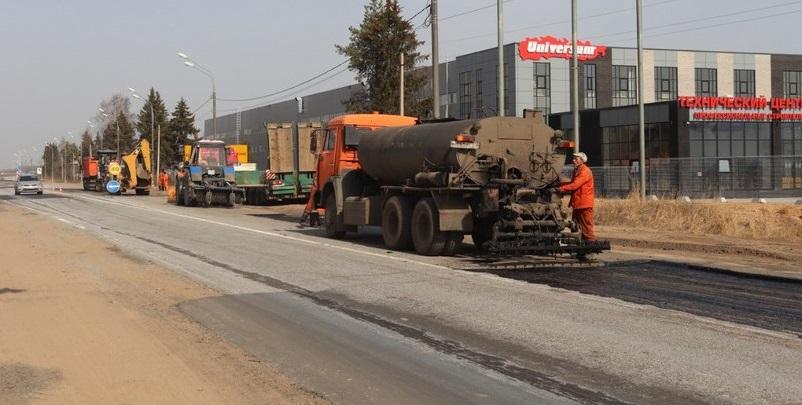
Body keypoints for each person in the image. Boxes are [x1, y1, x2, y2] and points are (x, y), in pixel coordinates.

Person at [557, 152, 596, 241]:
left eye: (576, 159)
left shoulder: (585, 171)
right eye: (574, 158)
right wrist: (558, 185)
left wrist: (560, 189)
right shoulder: (577, 170)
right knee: (576, 226)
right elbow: (571, 183)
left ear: (582, 161)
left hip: (584, 204)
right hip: (578, 203)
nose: (573, 160)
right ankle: (581, 248)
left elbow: (575, 185)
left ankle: (591, 246)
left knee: (586, 227)